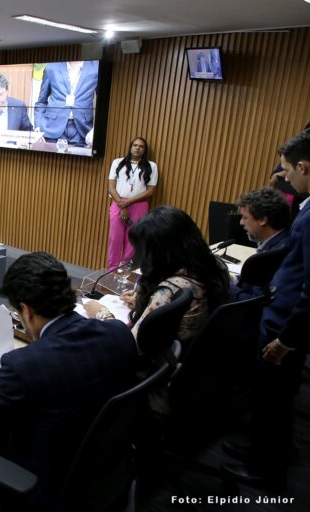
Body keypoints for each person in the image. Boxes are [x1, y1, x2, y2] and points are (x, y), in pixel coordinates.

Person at [0, 252, 138, 511]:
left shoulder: (24, 365)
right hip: (108, 475)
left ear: (25, 311)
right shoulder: (119, 335)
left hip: (43, 488)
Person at [222, 127, 310, 490]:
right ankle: (269, 451)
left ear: (305, 166)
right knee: (274, 400)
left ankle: (266, 468)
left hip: (285, 327)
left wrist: (286, 341)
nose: (286, 177)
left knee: (271, 400)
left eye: (287, 169)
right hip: (288, 321)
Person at [85, 206, 230, 349]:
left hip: (155, 362)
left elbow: (129, 346)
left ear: (160, 252)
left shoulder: (168, 291)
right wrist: (143, 302)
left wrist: (101, 313)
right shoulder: (214, 265)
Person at [106, 137, 159, 270]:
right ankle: (112, 271)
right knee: (115, 239)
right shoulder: (118, 162)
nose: (137, 148)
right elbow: (111, 187)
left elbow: (150, 191)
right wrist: (121, 204)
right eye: (135, 145)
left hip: (139, 206)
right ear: (130, 147)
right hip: (118, 203)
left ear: (144, 150)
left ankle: (124, 272)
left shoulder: (151, 166)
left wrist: (128, 203)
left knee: (133, 241)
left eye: (141, 146)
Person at [34, 61, 99, 147]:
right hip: (51, 128)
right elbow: (41, 102)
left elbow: (105, 103)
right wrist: (38, 128)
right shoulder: (51, 67)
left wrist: (96, 129)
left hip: (83, 129)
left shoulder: (96, 67)